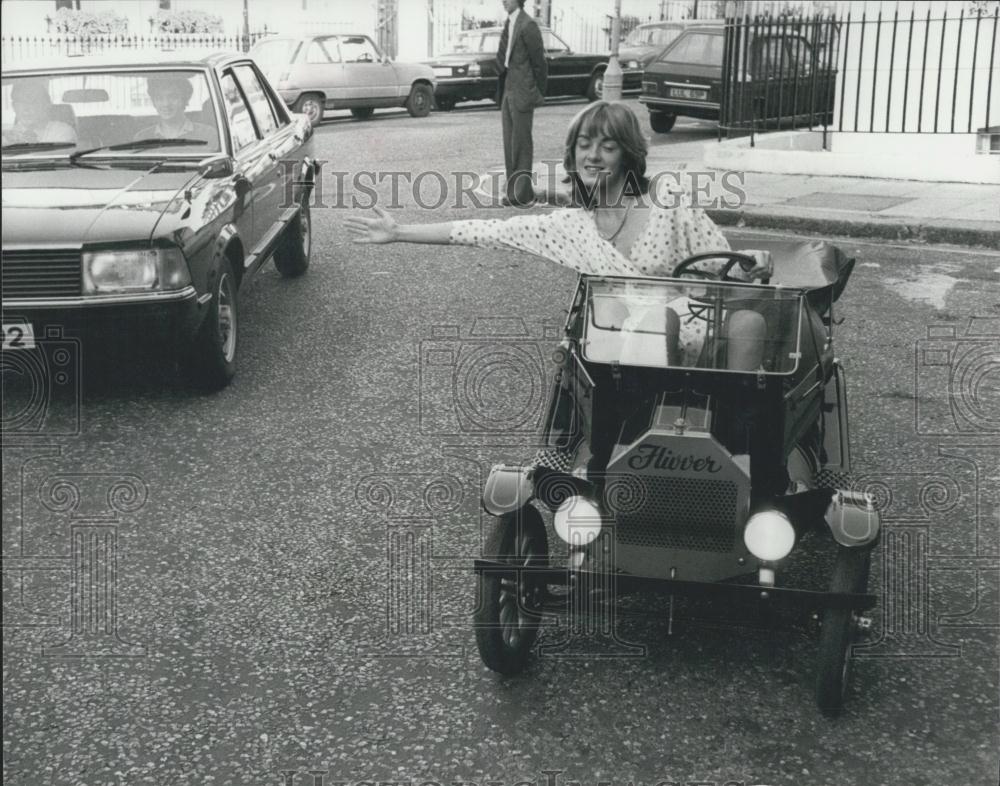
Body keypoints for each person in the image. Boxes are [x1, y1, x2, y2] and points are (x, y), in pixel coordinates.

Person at [346, 100, 772, 475]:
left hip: (693, 332)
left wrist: (754, 266)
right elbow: (487, 230)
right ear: (571, 155)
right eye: (585, 145)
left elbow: (725, 264)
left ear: (628, 155)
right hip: (622, 350)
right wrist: (401, 231)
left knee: (749, 321)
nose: (594, 156)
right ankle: (619, 454)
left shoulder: (670, 206)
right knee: (640, 322)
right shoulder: (569, 226)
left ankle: (741, 454)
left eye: (608, 146)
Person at [496, 0, 548, 206]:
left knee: (522, 142)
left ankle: (523, 194)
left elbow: (539, 63)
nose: (504, 1)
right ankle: (513, 192)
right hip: (508, 88)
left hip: (523, 91)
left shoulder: (528, 25)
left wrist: (538, 92)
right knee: (509, 143)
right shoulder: (509, 23)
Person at [133, 74, 216, 143]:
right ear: (154, 102)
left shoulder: (207, 134)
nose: (166, 104)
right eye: (159, 98)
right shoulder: (142, 138)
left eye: (172, 97)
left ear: (185, 99)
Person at [3, 79, 77, 145]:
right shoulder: (7, 136)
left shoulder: (62, 132)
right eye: (21, 103)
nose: (26, 109)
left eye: (32, 102)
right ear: (14, 107)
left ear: (45, 105)